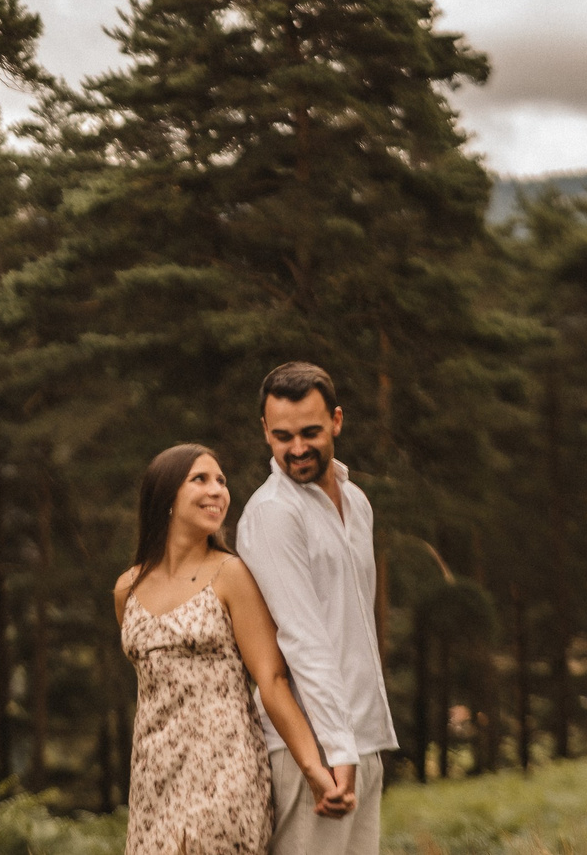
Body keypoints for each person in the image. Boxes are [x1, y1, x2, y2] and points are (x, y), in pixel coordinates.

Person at [115, 443, 353, 855]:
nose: (218, 491)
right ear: (165, 497)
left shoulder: (231, 575)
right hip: (153, 776)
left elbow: (271, 679)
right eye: (200, 479)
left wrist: (314, 767)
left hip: (225, 767)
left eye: (221, 481)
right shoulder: (127, 589)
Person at [234, 362, 397, 855]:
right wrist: (336, 750)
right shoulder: (272, 514)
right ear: (265, 431)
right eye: (282, 436)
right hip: (311, 748)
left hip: (362, 739)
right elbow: (302, 641)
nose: (297, 448)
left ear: (337, 422)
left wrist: (356, 745)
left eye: (310, 432)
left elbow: (353, 629)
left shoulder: (358, 503)